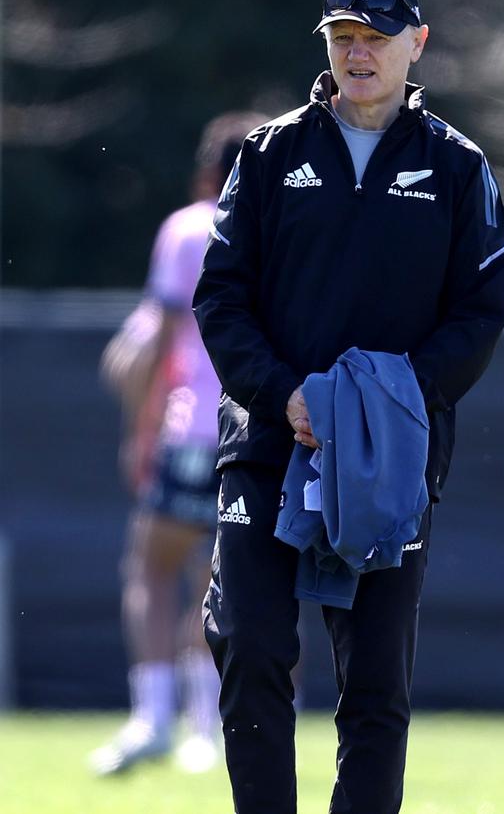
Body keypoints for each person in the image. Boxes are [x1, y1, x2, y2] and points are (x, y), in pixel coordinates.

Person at [193, 0, 504, 814]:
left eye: (375, 36)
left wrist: (387, 404)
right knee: (251, 647)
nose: (358, 52)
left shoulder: (457, 167)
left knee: (373, 684)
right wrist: (285, 395)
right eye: (343, 36)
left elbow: (478, 316)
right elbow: (220, 299)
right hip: (266, 446)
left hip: (389, 464)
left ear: (418, 42)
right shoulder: (268, 155)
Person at [90, 111, 267, 776]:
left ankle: (152, 716)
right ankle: (210, 727)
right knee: (226, 582)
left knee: (154, 566)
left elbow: (157, 344)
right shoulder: (283, 225)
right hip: (263, 432)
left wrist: (139, 432)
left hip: (192, 429)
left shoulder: (190, 227)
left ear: (205, 172)